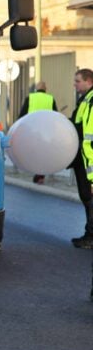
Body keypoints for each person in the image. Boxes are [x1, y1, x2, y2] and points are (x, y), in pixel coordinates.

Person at [18, 81, 58, 184]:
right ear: (46, 89)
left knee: (33, 151)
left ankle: (36, 171)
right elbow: (55, 114)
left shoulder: (30, 98)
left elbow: (22, 113)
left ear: (36, 89)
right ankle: (40, 175)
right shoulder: (50, 98)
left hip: (32, 130)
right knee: (44, 152)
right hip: (46, 131)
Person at [70, 69, 93, 248]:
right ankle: (89, 233)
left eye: (78, 81)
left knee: (90, 198)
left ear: (89, 81)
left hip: (89, 161)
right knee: (86, 198)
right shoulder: (86, 100)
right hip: (82, 159)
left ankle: (91, 237)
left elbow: (89, 137)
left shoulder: (91, 101)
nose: (75, 85)